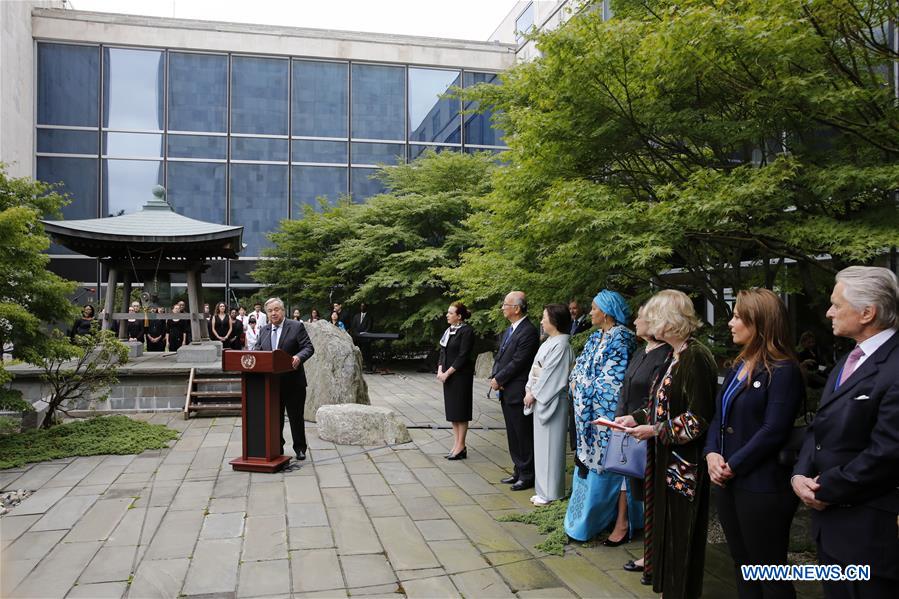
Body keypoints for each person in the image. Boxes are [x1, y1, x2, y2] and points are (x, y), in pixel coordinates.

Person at [792, 266, 899, 599]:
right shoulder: (850, 359)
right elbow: (818, 427)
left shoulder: (894, 367)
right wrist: (799, 475)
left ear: (867, 312)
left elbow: (887, 452)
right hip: (832, 528)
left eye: (837, 304)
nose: (828, 312)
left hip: (869, 532)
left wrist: (824, 489)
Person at [615, 289, 717, 597]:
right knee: (664, 530)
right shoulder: (675, 354)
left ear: (669, 321)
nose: (646, 320)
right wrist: (635, 417)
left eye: (653, 315)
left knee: (680, 535)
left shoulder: (696, 357)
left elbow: (698, 418)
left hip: (683, 464)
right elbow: (662, 402)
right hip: (664, 458)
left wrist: (655, 430)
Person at [703, 289, 804, 599]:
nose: (731, 323)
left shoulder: (784, 370)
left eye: (737, 316)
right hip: (729, 482)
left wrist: (733, 464)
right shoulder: (739, 364)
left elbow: (774, 429)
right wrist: (711, 454)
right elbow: (718, 416)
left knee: (769, 570)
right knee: (742, 565)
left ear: (759, 322)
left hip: (762, 486)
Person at [564, 290, 636, 542]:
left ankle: (617, 520)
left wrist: (581, 384)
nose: (591, 312)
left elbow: (611, 383)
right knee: (589, 464)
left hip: (606, 418)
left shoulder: (623, 339)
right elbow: (578, 370)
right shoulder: (596, 337)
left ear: (606, 312)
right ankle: (590, 518)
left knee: (611, 466)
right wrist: (578, 381)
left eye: (594, 308)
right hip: (589, 416)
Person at [617, 304, 672, 574]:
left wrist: (642, 423)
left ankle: (654, 556)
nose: (635, 321)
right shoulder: (641, 351)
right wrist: (618, 417)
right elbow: (625, 387)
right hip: (631, 428)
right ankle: (649, 552)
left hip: (651, 431)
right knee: (641, 493)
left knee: (653, 495)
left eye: (639, 317)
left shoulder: (666, 355)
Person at [252, 298, 315, 461]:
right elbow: (257, 350)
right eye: (270, 311)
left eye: (277, 309)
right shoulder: (264, 330)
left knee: (296, 417)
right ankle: (277, 446)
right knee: (275, 418)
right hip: (271, 384)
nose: (274, 313)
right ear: (267, 313)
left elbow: (308, 347)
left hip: (294, 382)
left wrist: (298, 357)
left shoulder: (296, 326)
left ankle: (300, 448)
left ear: (283, 310)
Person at [490, 291, 540, 491]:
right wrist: (495, 376)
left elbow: (519, 361)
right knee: (512, 433)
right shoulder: (510, 329)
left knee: (523, 434)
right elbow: (502, 356)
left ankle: (527, 474)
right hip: (506, 389)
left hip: (518, 389)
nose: (502, 308)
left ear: (517, 308)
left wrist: (500, 378)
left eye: (505, 304)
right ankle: (518, 469)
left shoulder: (528, 331)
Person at [524, 303, 573, 506]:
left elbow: (552, 376)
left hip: (552, 399)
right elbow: (536, 370)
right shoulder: (549, 342)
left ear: (554, 320)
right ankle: (543, 489)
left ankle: (552, 491)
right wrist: (529, 388)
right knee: (542, 447)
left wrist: (534, 393)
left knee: (552, 447)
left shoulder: (562, 345)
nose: (542, 321)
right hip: (541, 398)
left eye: (544, 317)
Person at [437, 301, 476, 460]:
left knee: (461, 412)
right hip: (448, 376)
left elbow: (463, 356)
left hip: (460, 377)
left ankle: (461, 445)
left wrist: (448, 373)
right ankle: (456, 444)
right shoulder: (449, 331)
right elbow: (442, 352)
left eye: (451, 313)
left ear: (459, 316)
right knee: (453, 413)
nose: (447, 315)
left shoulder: (467, 331)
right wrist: (440, 369)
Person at [351, 302, 374, 372]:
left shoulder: (369, 317)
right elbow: (353, 326)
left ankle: (368, 368)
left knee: (366, 353)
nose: (362, 308)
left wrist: (364, 333)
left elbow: (369, 327)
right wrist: (357, 333)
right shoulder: (356, 316)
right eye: (361, 306)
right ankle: (356, 368)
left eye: (363, 306)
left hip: (366, 338)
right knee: (356, 353)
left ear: (366, 307)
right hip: (357, 338)